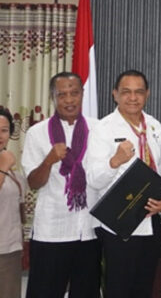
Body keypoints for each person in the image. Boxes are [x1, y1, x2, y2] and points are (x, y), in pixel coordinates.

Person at [86, 70, 161, 298]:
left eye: (139, 92)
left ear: (147, 94)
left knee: (144, 287)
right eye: (126, 92)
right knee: (118, 289)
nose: (133, 98)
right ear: (115, 94)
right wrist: (114, 161)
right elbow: (93, 179)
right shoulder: (103, 128)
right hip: (119, 223)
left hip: (150, 219)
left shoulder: (154, 126)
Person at [21, 72, 101, 298]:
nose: (69, 100)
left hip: (89, 229)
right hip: (52, 230)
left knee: (86, 293)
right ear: (53, 97)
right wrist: (48, 161)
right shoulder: (37, 133)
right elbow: (33, 183)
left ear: (82, 94)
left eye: (74, 93)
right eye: (62, 95)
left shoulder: (98, 129)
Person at [0, 107, 25, 298]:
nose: (0, 135)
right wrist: (3, 168)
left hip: (10, 250)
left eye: (4, 130)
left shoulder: (14, 170)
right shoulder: (6, 164)